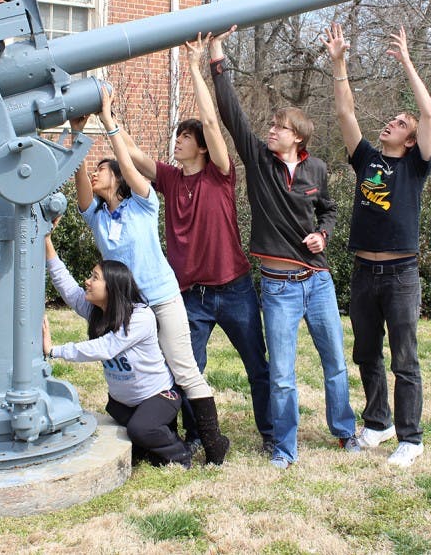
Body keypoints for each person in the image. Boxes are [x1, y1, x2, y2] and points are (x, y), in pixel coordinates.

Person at [208, 27, 359, 470]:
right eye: (271, 126)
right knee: (282, 377)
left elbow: (329, 211)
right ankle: (284, 448)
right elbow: (232, 114)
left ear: (299, 137)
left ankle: (344, 432)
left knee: (334, 364)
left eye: (279, 127)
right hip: (277, 289)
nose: (270, 131)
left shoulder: (317, 169)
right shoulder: (259, 162)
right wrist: (218, 56)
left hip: (318, 282)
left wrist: (324, 234)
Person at [121, 33, 272, 455]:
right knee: (186, 368)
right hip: (190, 295)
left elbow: (211, 122)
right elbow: (131, 154)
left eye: (184, 138)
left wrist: (193, 66)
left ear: (202, 147)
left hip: (235, 288)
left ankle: (270, 434)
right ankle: (193, 436)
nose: (178, 142)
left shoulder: (219, 174)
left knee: (257, 367)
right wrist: (107, 114)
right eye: (178, 138)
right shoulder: (170, 179)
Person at [70, 86, 230, 464]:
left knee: (183, 369)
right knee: (149, 373)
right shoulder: (97, 217)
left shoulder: (143, 203)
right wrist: (77, 136)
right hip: (130, 307)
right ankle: (162, 437)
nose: (95, 174)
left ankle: (214, 443)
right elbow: (80, 189)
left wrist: (109, 122)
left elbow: (131, 166)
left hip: (162, 298)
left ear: (118, 181)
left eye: (100, 170)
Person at [322, 23, 431, 468]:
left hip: (401, 274)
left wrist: (407, 61)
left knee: (404, 359)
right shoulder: (367, 158)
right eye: (394, 119)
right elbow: (346, 115)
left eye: (400, 123)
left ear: (410, 141)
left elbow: (429, 115)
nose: (393, 123)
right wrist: (339, 63)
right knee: (366, 352)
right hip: (364, 273)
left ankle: (411, 437)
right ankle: (377, 423)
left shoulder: (417, 166)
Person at [42, 250, 191, 468]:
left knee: (140, 430)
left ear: (112, 287)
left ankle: (180, 453)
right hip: (122, 404)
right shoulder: (97, 311)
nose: (87, 281)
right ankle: (155, 436)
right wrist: (47, 245)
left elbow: (106, 347)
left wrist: (55, 350)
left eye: (95, 277)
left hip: (158, 396)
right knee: (135, 439)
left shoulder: (140, 316)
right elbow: (66, 285)